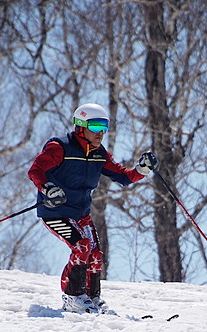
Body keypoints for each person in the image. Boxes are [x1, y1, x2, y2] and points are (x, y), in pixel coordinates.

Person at [28, 103, 158, 313]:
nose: (101, 133)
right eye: (96, 126)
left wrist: (141, 170)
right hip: (55, 212)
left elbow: (124, 176)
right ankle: (73, 296)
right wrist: (47, 188)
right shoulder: (60, 147)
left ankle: (91, 297)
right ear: (81, 126)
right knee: (82, 246)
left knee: (95, 253)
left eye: (104, 127)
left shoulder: (99, 153)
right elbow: (36, 170)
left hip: (80, 214)